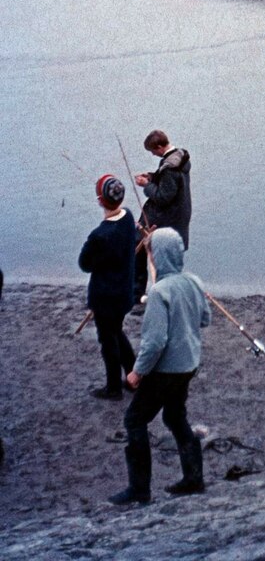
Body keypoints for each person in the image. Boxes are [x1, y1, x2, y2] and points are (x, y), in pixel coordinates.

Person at [110, 228, 211, 505]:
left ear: (158, 255)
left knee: (134, 420)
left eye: (151, 251)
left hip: (166, 371)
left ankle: (139, 490)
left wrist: (136, 373)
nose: (149, 256)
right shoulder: (194, 281)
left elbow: (154, 343)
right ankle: (194, 478)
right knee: (175, 417)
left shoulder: (159, 293)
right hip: (189, 365)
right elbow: (205, 319)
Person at [78, 175, 136, 400]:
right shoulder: (129, 217)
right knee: (116, 332)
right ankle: (133, 376)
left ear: (101, 201)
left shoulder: (100, 235)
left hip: (105, 298)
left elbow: (84, 265)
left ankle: (113, 388)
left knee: (108, 340)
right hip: (124, 294)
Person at [135, 131, 192, 249]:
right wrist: (152, 177)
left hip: (169, 222)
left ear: (160, 147)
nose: (153, 154)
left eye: (153, 151)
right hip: (179, 218)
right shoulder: (179, 158)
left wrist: (146, 185)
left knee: (141, 251)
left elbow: (163, 197)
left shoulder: (170, 168)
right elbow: (171, 183)